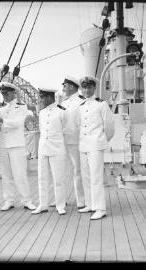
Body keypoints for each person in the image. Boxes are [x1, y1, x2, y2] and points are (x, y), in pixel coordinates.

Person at [0, 82, 36, 211]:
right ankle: (8, 200)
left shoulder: (21, 107)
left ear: (13, 93)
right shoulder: (1, 109)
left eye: (6, 93)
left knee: (20, 174)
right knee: (6, 174)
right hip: (5, 145)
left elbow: (18, 123)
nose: (4, 95)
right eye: (3, 93)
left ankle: (27, 200)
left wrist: (1, 120)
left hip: (17, 145)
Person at [77, 75, 115, 220]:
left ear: (94, 88)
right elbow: (79, 125)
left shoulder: (101, 104)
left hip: (96, 144)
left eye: (89, 87)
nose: (87, 90)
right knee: (86, 176)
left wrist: (102, 140)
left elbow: (109, 126)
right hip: (84, 145)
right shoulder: (81, 106)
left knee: (96, 177)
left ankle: (100, 208)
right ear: (82, 89)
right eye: (84, 87)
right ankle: (90, 203)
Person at [31, 88, 67, 215]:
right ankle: (43, 204)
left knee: (59, 180)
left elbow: (66, 130)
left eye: (42, 97)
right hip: (43, 149)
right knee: (42, 178)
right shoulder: (41, 113)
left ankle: (60, 205)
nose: (41, 100)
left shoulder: (61, 111)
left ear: (50, 97)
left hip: (57, 149)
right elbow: (42, 130)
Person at [61, 75, 86, 209]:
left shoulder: (81, 101)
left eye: (65, 86)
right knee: (63, 171)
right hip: (63, 141)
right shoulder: (64, 103)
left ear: (71, 86)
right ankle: (61, 199)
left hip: (76, 141)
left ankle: (81, 200)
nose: (63, 89)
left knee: (78, 171)